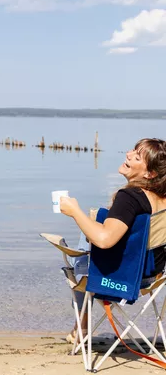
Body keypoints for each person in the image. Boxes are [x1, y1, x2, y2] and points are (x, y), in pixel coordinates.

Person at [60, 138, 166, 343]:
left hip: (123, 279)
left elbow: (105, 240)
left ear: (149, 174)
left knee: (77, 261)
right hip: (154, 278)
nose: (128, 154)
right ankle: (80, 328)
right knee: (89, 232)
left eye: (137, 157)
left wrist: (75, 212)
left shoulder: (130, 197)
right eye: (133, 150)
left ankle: (81, 329)